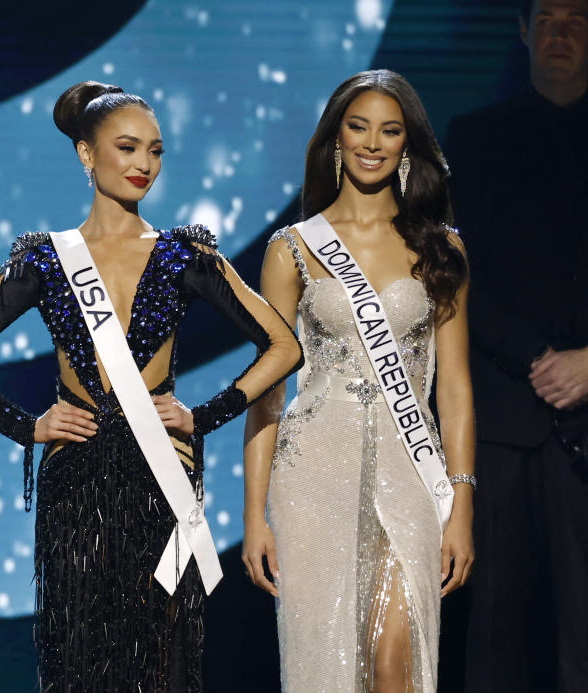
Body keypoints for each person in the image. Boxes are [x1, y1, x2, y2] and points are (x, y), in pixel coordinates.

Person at [0, 80, 303, 692]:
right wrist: (27, 425)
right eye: (126, 148)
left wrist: (204, 416)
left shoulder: (184, 254)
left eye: (155, 151)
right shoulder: (44, 258)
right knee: (79, 659)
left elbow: (285, 345)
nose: (143, 165)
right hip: (75, 483)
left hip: (163, 475)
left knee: (162, 657)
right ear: (85, 153)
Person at [242, 69, 475, 692]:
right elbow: (266, 389)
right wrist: (253, 515)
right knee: (327, 663)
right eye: (359, 126)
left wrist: (463, 503)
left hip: (413, 470)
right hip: (312, 470)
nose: (373, 142)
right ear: (336, 138)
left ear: (407, 146)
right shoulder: (292, 248)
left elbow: (453, 386)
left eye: (390, 130)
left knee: (394, 660)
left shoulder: (440, 248)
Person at [445, 1, 588, 690]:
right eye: (549, 19)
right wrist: (539, 358)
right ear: (523, 32)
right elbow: (461, 279)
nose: (562, 33)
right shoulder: (476, 138)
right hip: (503, 418)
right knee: (495, 627)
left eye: (578, 20)